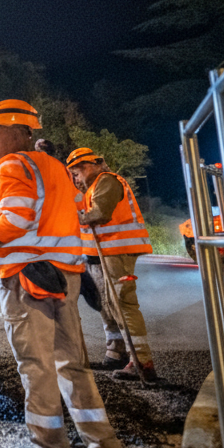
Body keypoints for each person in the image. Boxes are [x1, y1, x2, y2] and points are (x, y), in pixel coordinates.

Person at [0, 100, 134, 448]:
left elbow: (14, 220)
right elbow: (72, 220)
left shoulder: (11, 165)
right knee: (74, 366)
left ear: (19, 132)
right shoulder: (56, 168)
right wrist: (80, 270)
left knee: (37, 368)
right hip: (64, 277)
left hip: (26, 280)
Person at [66, 148, 157, 381]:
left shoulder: (106, 180)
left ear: (95, 164)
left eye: (79, 171)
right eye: (73, 174)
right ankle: (115, 354)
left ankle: (141, 362)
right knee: (107, 306)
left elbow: (100, 214)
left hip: (117, 251)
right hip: (99, 254)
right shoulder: (88, 190)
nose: (77, 178)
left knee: (122, 304)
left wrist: (66, 217)